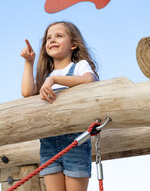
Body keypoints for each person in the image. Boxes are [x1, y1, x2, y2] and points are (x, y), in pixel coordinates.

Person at [20, 21, 99, 191]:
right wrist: (29, 62)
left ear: (73, 45)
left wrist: (55, 80)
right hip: (48, 141)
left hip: (75, 140)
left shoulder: (78, 66)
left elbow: (88, 80)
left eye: (59, 36)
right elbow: (27, 92)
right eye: (48, 38)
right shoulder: (45, 76)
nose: (52, 40)